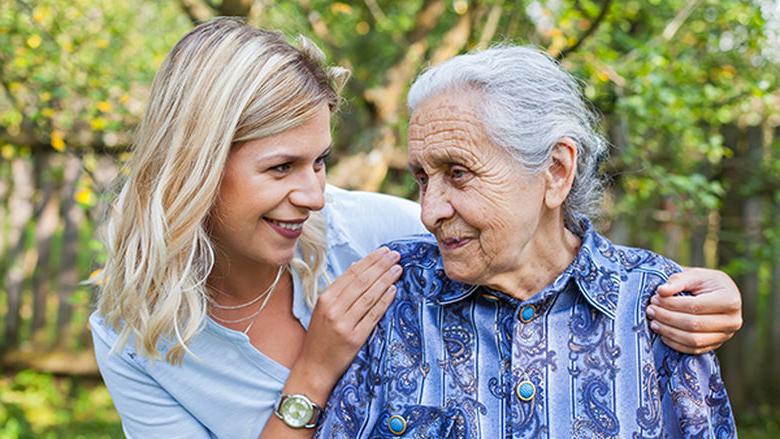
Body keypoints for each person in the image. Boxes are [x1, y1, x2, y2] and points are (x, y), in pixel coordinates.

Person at [90, 19, 740, 438]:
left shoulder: (366, 233)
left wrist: (707, 291)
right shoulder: (130, 334)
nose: (314, 195)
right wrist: (312, 374)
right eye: (281, 165)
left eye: (319, 162)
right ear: (196, 167)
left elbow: (518, 243)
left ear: (557, 169)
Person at [317, 46, 735, 438]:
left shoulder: (657, 307)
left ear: (555, 171)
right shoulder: (391, 295)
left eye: (458, 172)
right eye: (423, 179)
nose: (429, 212)